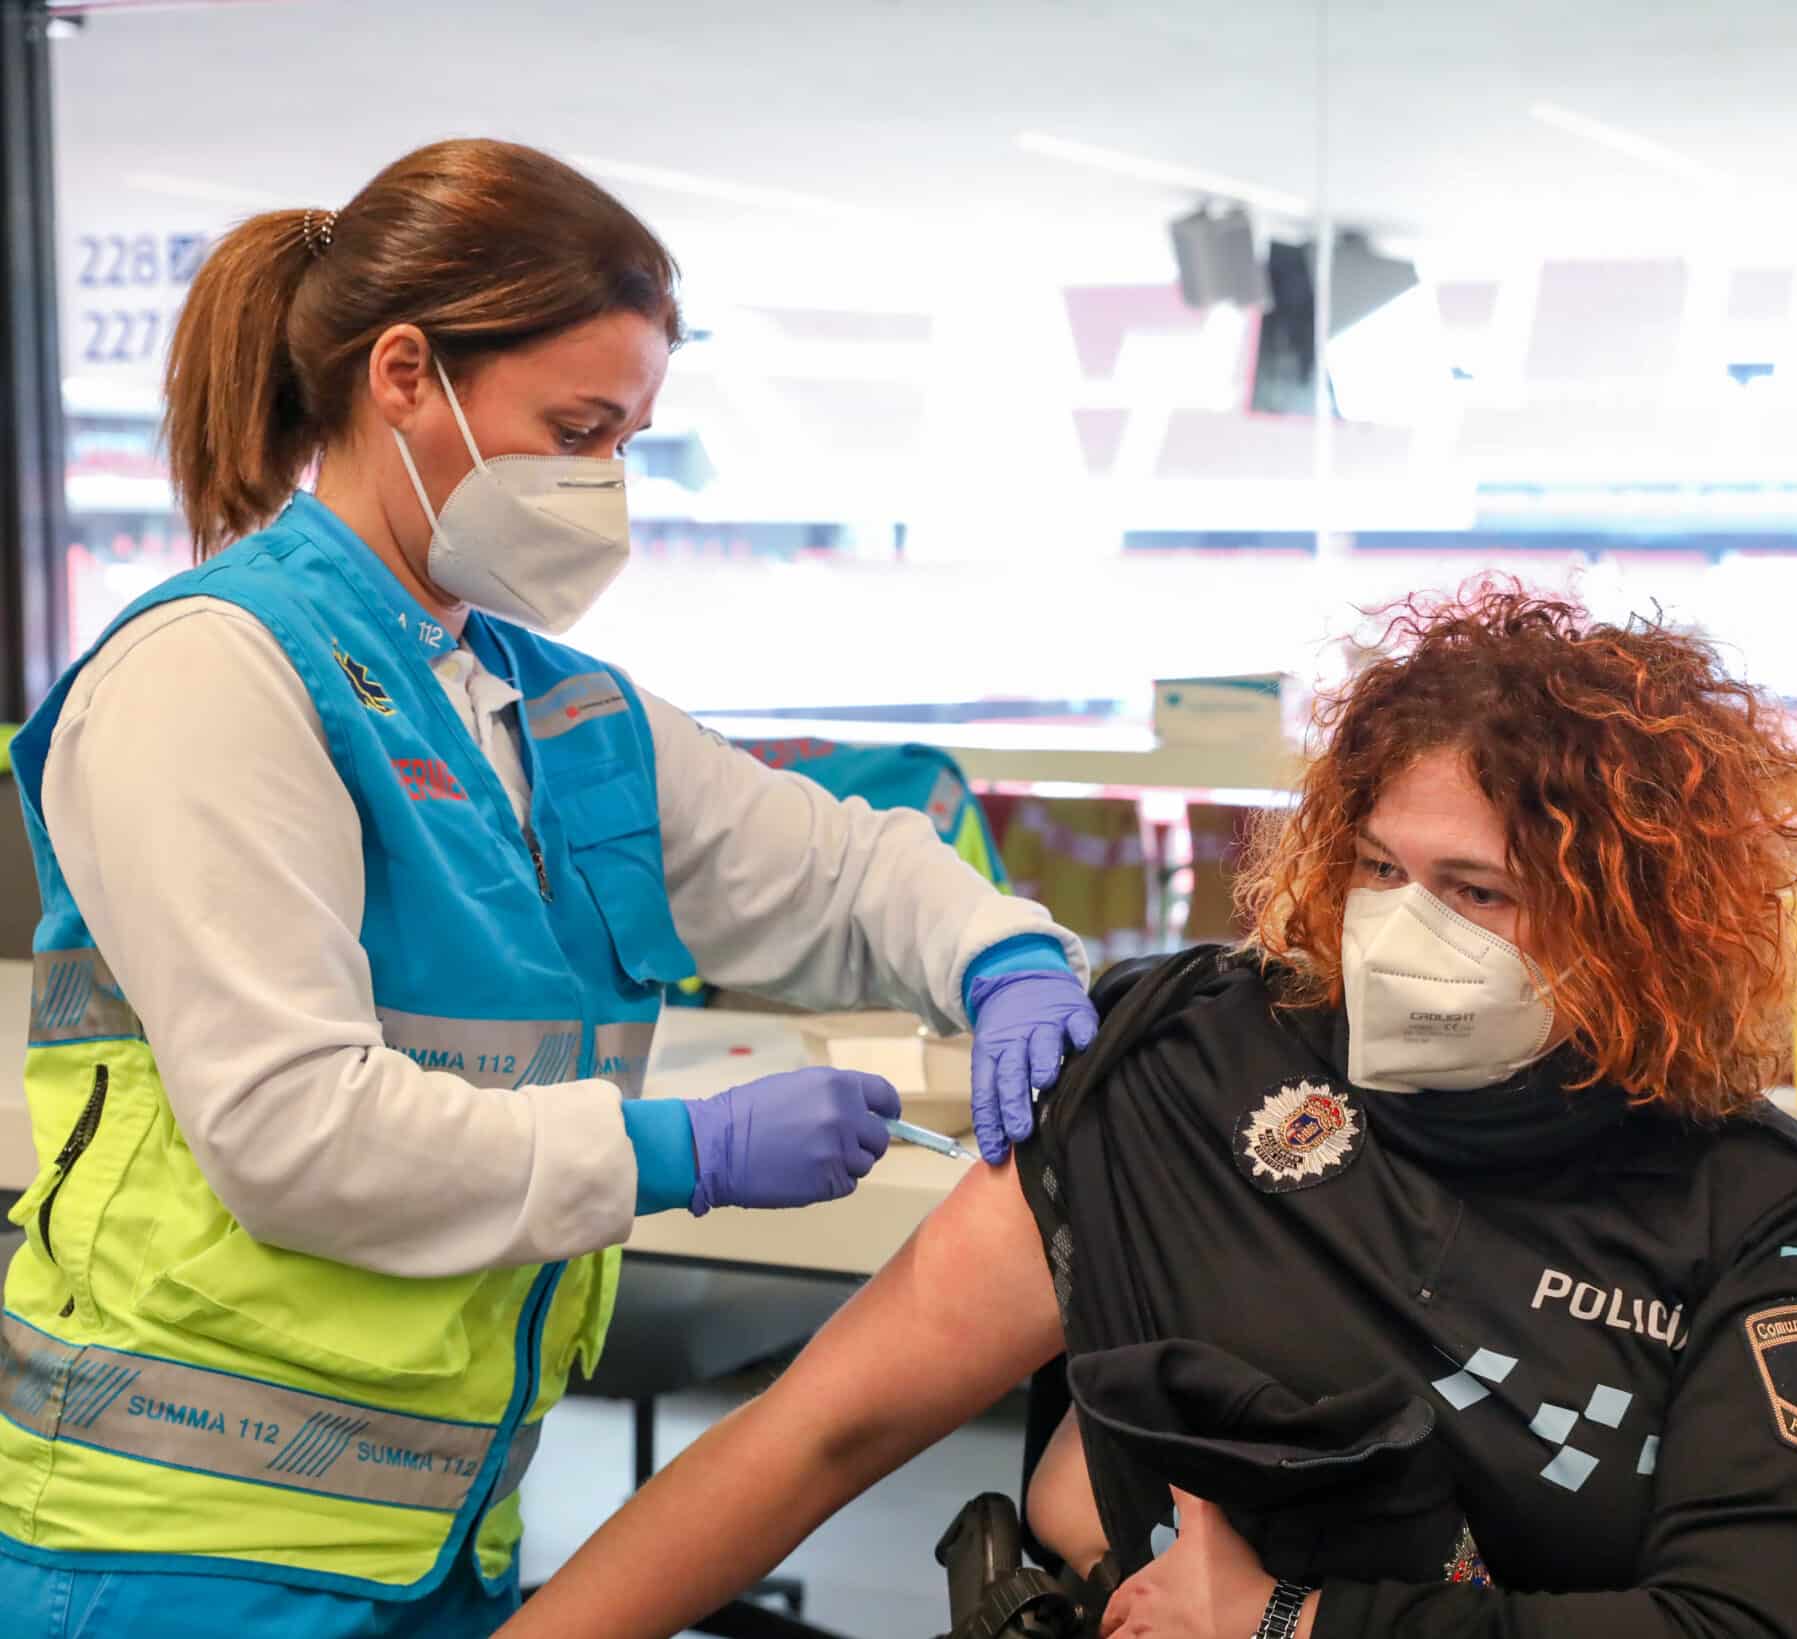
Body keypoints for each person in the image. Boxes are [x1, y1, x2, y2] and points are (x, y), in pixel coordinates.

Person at [0, 139, 1096, 1638]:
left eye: (628, 442)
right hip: (177, 1541)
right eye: (574, 428)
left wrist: (1002, 957)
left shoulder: (554, 706)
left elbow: (838, 869)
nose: (603, 487)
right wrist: (677, 1151)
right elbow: (290, 1134)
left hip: (437, 1534)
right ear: (403, 375)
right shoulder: (215, 674)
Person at [503, 584, 1797, 1639]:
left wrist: (1295, 1624)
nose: (1400, 933)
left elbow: (1751, 1625)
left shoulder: (1759, 1211)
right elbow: (825, 1430)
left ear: (1636, 931)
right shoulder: (1193, 1062)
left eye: (1477, 892)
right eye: (1379, 869)